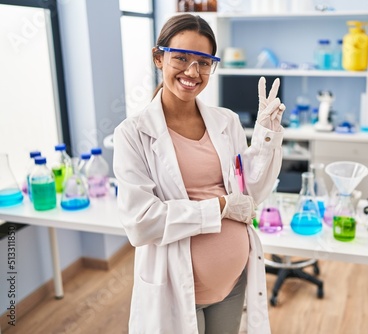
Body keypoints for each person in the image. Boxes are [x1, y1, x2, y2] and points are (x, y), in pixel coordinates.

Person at [113, 13, 285, 334]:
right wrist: (220, 207)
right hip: (176, 288)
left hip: (233, 283)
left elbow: (249, 197)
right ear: (158, 58)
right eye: (181, 58)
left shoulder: (227, 122)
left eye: (204, 62)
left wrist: (265, 136)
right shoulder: (133, 133)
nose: (193, 72)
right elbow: (141, 222)